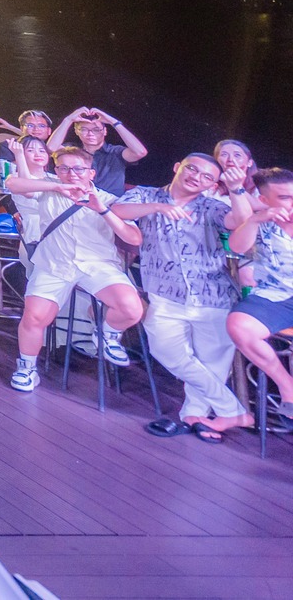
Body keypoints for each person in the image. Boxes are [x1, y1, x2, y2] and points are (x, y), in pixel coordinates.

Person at [110, 154, 250, 440]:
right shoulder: (147, 195)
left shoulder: (211, 206)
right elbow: (118, 210)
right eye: (192, 169)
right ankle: (231, 409)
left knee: (212, 362)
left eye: (207, 177)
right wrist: (159, 207)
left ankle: (194, 415)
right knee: (164, 350)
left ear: (213, 184)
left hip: (214, 296)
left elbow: (240, 221)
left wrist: (237, 190)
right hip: (164, 294)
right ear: (177, 167)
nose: (197, 177)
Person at [2, 144, 145, 393]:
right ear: (57, 171)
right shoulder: (48, 189)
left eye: (79, 169)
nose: (72, 174)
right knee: (34, 316)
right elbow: (13, 184)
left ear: (91, 173)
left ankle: (107, 334)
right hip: (54, 263)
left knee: (132, 308)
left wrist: (102, 210)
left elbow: (134, 238)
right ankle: (27, 367)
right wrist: (56, 187)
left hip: (98, 264)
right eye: (64, 168)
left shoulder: (109, 200)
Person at [226, 168, 293, 425]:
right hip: (276, 294)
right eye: (285, 197)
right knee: (239, 326)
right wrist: (255, 220)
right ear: (264, 200)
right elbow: (237, 247)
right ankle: (287, 387)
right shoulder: (261, 221)